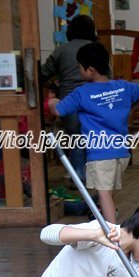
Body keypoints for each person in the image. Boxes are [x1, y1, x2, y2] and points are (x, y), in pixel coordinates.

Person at [49, 42, 139, 223]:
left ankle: (112, 234)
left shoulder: (82, 93)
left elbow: (59, 110)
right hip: (121, 153)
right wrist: (130, 109)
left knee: (103, 194)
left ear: (90, 70)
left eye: (80, 67)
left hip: (100, 154)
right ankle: (108, 219)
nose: (79, 70)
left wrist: (50, 101)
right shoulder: (124, 87)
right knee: (109, 193)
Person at [40, 15, 98, 182]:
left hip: (69, 100)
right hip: (93, 99)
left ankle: (78, 177)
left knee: (77, 139)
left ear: (70, 31)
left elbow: (41, 75)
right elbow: (106, 77)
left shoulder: (61, 50)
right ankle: (96, 177)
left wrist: (54, 86)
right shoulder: (96, 49)